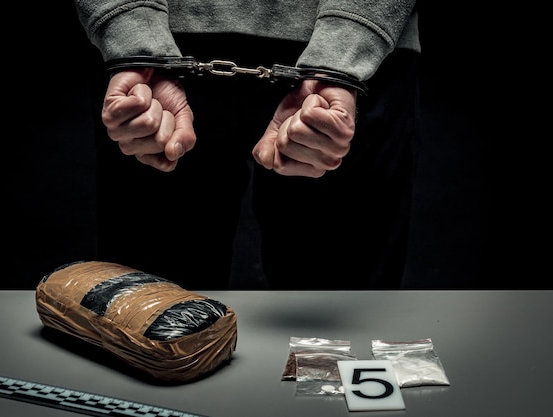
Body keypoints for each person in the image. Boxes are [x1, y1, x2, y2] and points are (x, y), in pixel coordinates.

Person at [73, 0, 421, 290]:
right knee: (148, 326)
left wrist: (349, 45)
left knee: (343, 325)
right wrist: (128, 30)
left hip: (356, 62)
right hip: (153, 63)